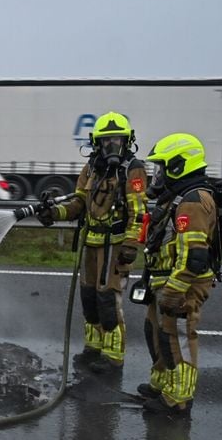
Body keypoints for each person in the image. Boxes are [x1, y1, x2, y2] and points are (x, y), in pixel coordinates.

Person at [36, 111, 148, 373]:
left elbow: (140, 211)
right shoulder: (90, 169)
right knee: (89, 298)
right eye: (106, 141)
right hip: (91, 242)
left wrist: (132, 244)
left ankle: (113, 356)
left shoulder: (133, 169)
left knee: (108, 299)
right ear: (96, 142)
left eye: (117, 140)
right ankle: (93, 347)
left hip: (115, 245)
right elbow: (78, 204)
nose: (112, 146)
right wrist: (54, 213)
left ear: (127, 141)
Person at [137, 132, 218, 417]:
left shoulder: (193, 201)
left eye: (161, 168)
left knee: (179, 337)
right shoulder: (179, 198)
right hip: (164, 279)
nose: (157, 175)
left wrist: (173, 291)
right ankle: (161, 385)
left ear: (178, 166)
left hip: (182, 285)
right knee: (158, 334)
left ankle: (179, 398)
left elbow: (193, 256)